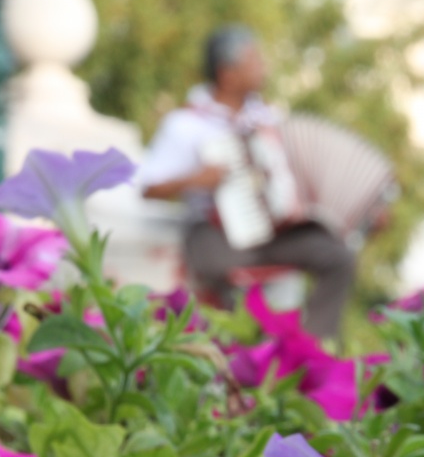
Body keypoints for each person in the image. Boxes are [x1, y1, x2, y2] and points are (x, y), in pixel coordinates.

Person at [138, 25, 357, 339]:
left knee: (338, 256)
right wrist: (199, 179)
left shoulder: (270, 119)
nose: (263, 67)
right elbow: (149, 188)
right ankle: (238, 345)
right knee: (218, 268)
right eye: (254, 61)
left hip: (272, 234)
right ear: (228, 74)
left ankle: (314, 346)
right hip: (215, 234)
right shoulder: (185, 124)